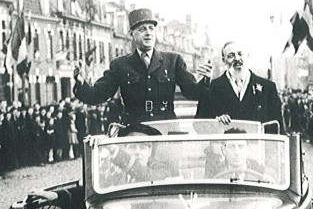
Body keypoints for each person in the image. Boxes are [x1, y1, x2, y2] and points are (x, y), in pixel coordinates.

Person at [73, 8, 211, 124]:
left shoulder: (173, 61)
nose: (148, 33)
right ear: (132, 34)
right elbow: (96, 95)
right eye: (142, 29)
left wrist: (206, 80)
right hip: (134, 133)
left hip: (166, 130)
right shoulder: (120, 65)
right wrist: (81, 82)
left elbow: (192, 92)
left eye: (151, 28)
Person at [195, 40, 285, 133]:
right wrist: (215, 122)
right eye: (231, 56)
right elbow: (198, 126)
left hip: (256, 146)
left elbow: (278, 127)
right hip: (223, 146)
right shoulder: (211, 87)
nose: (237, 59)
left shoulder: (268, 87)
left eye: (240, 54)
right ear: (223, 60)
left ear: (247, 56)